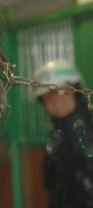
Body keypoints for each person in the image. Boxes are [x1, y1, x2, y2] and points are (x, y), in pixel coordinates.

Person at [34, 60, 93, 208]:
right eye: (47, 96)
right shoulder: (55, 134)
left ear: (76, 91)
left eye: (61, 91)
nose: (55, 100)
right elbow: (49, 182)